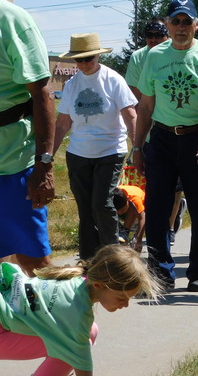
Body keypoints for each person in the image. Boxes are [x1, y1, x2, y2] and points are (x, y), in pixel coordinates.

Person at [133, 0, 198, 293]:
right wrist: (138, 146)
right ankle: (161, 271)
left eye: (186, 21)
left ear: (196, 26)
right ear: (167, 24)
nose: (180, 27)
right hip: (162, 138)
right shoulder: (155, 56)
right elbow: (146, 105)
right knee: (157, 206)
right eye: (175, 21)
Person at [0, 244, 161, 376]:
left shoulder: (77, 279)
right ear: (98, 285)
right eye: (121, 298)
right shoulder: (76, 314)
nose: (125, 305)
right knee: (70, 349)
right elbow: (83, 367)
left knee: (88, 333)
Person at [53, 33, 138, 260]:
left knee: (102, 204)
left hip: (110, 150)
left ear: (98, 56)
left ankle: (112, 257)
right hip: (79, 153)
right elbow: (63, 123)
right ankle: (88, 261)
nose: (83, 64)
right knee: (85, 209)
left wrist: (138, 147)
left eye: (88, 58)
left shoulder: (113, 79)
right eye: (78, 60)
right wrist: (47, 155)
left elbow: (130, 115)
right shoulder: (72, 84)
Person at [0, 0, 55, 276]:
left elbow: (42, 93)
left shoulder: (12, 20)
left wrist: (43, 166)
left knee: (34, 263)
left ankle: (57, 320)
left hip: (13, 164)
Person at [124, 19, 187, 246]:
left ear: (167, 35)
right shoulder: (139, 57)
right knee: (154, 186)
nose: (153, 40)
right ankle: (155, 228)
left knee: (176, 186)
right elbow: (134, 92)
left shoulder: (175, 52)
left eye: (158, 36)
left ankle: (169, 227)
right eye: (149, 35)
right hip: (151, 130)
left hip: (175, 128)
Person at [112, 184, 146, 252]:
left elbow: (142, 219)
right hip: (125, 201)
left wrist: (138, 239)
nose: (120, 213)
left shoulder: (135, 199)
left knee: (132, 208)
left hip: (140, 208)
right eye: (118, 211)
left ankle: (125, 231)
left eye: (122, 210)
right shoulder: (114, 195)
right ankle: (123, 233)